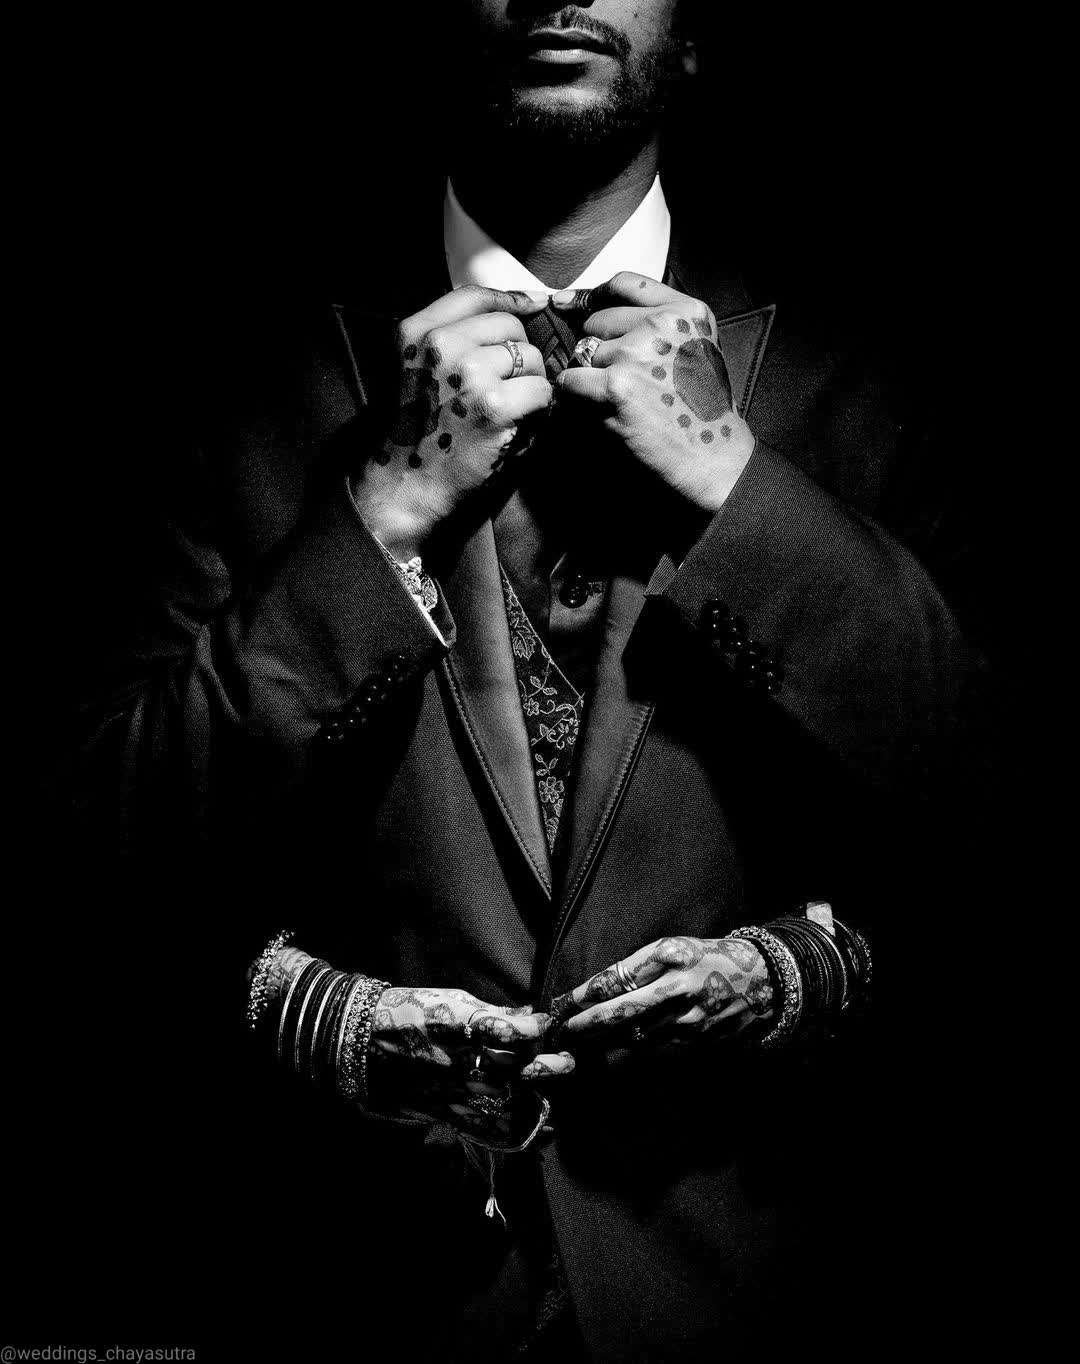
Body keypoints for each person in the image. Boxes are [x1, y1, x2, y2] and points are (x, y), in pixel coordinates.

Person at [68, 2, 988, 1359]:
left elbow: (994, 796)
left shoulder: (882, 371)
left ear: (696, 26)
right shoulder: (223, 373)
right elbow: (97, 844)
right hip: (340, 1284)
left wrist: (736, 486)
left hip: (775, 1295)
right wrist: (380, 514)